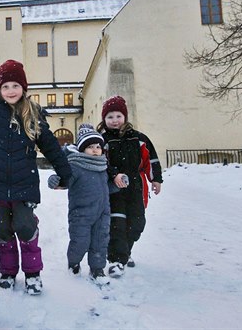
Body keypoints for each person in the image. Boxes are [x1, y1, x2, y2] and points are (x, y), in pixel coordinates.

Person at [0, 59, 72, 295]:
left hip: (24, 184)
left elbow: (51, 146)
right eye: (5, 86)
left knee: (24, 226)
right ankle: (8, 272)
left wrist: (65, 172)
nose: (11, 91)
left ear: (23, 88)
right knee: (1, 229)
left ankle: (32, 274)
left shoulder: (32, 114)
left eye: (15, 85)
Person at [96, 95, 163, 277]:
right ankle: (116, 260)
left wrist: (155, 179)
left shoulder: (139, 138)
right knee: (117, 223)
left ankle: (126, 250)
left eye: (118, 116)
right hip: (113, 189)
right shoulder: (102, 141)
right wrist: (114, 174)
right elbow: (99, 161)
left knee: (137, 223)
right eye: (110, 117)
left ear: (125, 117)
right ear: (104, 120)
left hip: (136, 187)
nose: (114, 120)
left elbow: (151, 159)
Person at [47, 123, 115, 286]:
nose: (95, 150)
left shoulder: (103, 167)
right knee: (80, 242)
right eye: (90, 146)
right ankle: (74, 263)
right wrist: (55, 181)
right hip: (81, 214)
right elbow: (65, 181)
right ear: (82, 149)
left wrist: (119, 184)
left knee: (100, 242)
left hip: (102, 213)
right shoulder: (75, 166)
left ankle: (97, 269)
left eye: (98, 146)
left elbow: (108, 186)